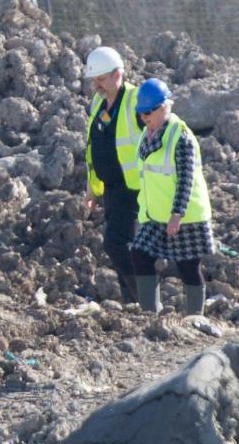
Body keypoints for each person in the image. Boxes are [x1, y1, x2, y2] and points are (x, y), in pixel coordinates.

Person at [131, 78, 214, 315]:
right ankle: (149, 313)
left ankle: (195, 318)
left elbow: (186, 179)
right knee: (140, 254)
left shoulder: (182, 138)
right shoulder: (146, 136)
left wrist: (177, 214)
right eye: (141, 113)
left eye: (149, 112)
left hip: (185, 216)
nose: (145, 117)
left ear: (165, 107)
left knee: (188, 267)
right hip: (155, 215)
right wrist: (142, 214)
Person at [82, 46, 143, 304]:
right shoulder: (98, 103)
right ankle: (133, 304)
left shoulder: (135, 101)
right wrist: (92, 188)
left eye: (102, 79)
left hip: (133, 188)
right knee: (122, 245)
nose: (97, 85)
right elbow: (93, 148)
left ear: (118, 74)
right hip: (111, 188)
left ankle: (146, 298)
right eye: (94, 80)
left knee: (115, 243)